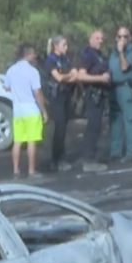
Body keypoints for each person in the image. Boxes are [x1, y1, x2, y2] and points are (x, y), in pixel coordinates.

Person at [4, 43, 47, 178]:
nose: (35, 56)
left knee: (17, 141)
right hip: (31, 109)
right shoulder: (32, 71)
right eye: (33, 54)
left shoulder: (11, 70)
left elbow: (6, 87)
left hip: (18, 110)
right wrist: (44, 111)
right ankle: (31, 170)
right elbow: (38, 92)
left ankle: (16, 170)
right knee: (31, 141)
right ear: (28, 55)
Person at [72, 29, 111, 171]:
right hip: (92, 94)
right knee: (93, 128)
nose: (100, 41)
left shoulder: (99, 55)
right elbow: (81, 76)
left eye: (102, 38)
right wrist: (100, 78)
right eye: (97, 38)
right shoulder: (88, 55)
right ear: (90, 39)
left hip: (101, 94)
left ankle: (89, 156)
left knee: (96, 127)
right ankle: (89, 160)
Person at [107, 25, 132, 163]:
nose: (122, 39)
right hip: (113, 88)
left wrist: (121, 52)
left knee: (129, 120)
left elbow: (124, 67)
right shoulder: (112, 54)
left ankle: (131, 152)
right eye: (119, 37)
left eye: (125, 36)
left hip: (126, 88)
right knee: (115, 121)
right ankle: (115, 151)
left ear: (130, 38)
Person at [44, 36, 76, 172]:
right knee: (59, 128)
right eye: (64, 45)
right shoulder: (51, 60)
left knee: (64, 128)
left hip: (65, 95)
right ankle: (56, 159)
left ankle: (60, 158)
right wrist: (69, 76)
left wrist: (68, 76)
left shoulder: (65, 59)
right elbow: (59, 77)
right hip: (56, 97)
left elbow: (72, 75)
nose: (66, 48)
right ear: (56, 46)